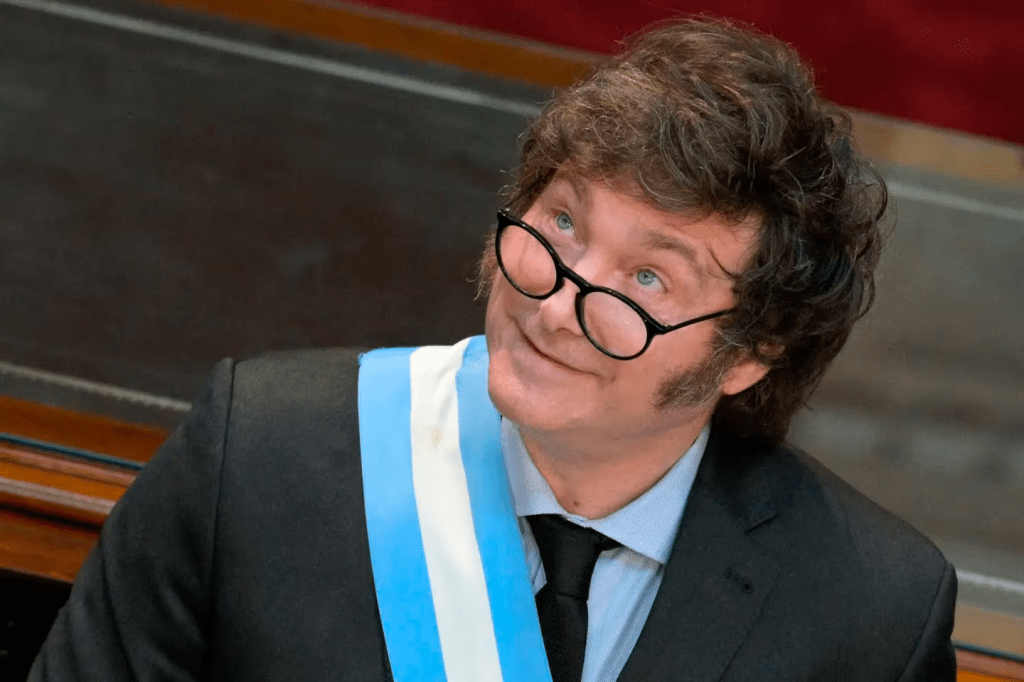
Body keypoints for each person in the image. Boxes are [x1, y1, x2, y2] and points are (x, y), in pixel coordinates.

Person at [30, 16, 956, 682]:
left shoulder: (872, 613)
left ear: (752, 350)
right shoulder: (255, 461)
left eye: (646, 279)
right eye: (562, 222)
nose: (555, 304)